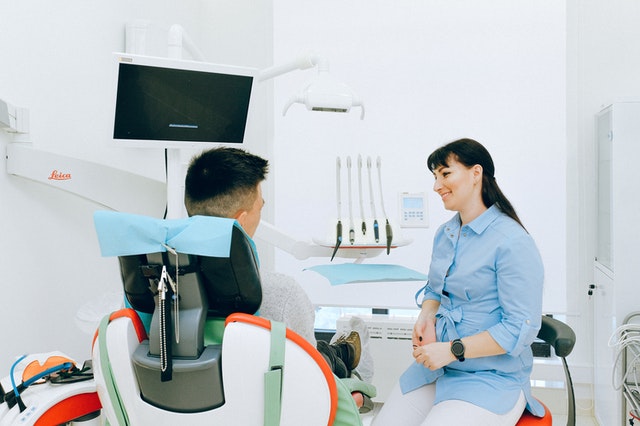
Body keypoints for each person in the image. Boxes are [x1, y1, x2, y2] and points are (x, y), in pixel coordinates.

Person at [372, 138, 544, 425]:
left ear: (476, 173)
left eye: (445, 173)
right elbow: (434, 288)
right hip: (440, 370)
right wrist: (426, 316)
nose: (436, 186)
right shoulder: (446, 234)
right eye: (435, 176)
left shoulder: (512, 242)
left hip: (490, 378)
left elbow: (519, 328)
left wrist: (452, 350)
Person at [183, 146, 364, 381]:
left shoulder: (159, 285)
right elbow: (312, 376)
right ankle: (342, 353)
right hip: (269, 393)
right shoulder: (282, 292)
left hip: (188, 394)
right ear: (241, 221)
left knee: (321, 349)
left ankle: (339, 350)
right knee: (325, 358)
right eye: (260, 206)